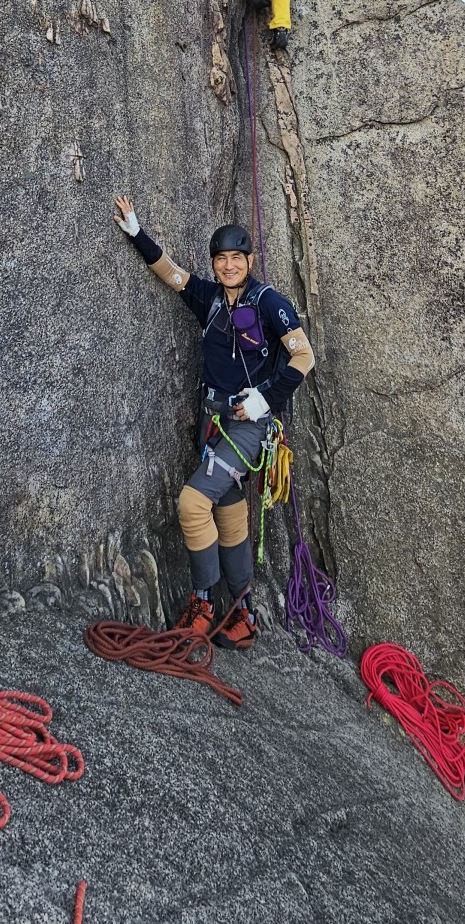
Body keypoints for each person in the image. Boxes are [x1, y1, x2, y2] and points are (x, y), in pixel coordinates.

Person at [113, 198, 315, 648]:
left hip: (247, 427)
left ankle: (202, 604)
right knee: (229, 513)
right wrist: (136, 233)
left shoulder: (268, 302)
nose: (227, 266)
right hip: (213, 423)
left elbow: (305, 355)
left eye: (235, 258)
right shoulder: (210, 299)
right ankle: (243, 615)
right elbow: (173, 276)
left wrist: (265, 401)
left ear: (249, 260)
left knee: (191, 503)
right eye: (220, 259)